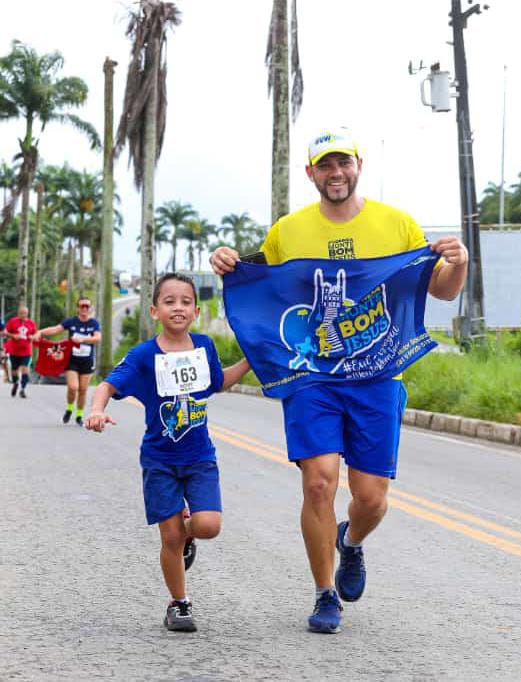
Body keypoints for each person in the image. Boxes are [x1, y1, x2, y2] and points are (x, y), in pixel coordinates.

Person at [210, 127, 468, 633]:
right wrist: (226, 261)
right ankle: (325, 593)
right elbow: (261, 284)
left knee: (371, 498)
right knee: (318, 483)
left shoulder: (396, 225)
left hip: (376, 375)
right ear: (311, 174)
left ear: (358, 166)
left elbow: (436, 289)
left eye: (342, 163)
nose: (335, 173)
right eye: (324, 166)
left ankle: (350, 543)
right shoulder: (289, 230)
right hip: (314, 378)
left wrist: (457, 265)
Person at [85, 273, 249, 632]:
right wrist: (96, 410)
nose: (178, 307)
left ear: (195, 310)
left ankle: (187, 533)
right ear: (155, 310)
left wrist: (251, 360)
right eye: (170, 301)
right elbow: (108, 385)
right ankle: (179, 603)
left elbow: (218, 382)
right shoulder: (144, 355)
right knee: (169, 536)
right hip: (159, 459)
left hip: (199, 456)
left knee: (207, 525)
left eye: (186, 301)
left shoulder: (204, 346)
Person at [34, 297, 102, 425]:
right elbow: (55, 329)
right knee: (73, 387)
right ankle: (69, 408)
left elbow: (97, 338)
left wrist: (82, 340)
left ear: (90, 309)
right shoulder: (71, 322)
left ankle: (79, 415)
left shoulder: (94, 323)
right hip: (72, 360)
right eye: (82, 306)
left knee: (83, 389)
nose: (84, 309)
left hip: (87, 361)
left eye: (87, 306)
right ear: (77, 308)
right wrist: (41, 332)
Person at [4, 306, 37, 398]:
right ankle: (15, 383)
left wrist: (32, 337)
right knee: (14, 370)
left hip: (26, 351)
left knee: (25, 368)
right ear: (18, 313)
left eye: (25, 313)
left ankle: (23, 389)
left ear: (27, 313)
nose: (23, 315)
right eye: (21, 313)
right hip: (14, 351)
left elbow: (35, 334)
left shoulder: (31, 323)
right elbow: (5, 333)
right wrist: (13, 335)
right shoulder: (13, 321)